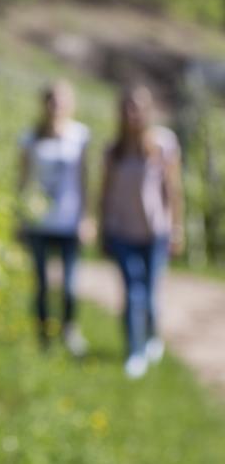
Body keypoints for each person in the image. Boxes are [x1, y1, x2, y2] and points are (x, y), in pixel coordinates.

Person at [100, 85, 184, 379]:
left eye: (137, 108)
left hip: (155, 232)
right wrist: (102, 229)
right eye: (127, 108)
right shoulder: (114, 151)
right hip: (122, 231)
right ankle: (133, 351)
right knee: (132, 293)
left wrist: (176, 228)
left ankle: (151, 335)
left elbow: (172, 190)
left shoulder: (162, 145)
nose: (131, 114)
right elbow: (105, 193)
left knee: (149, 294)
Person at [17, 81, 90, 356]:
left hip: (69, 221)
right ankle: (43, 337)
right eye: (51, 100)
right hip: (39, 221)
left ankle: (69, 330)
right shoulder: (30, 138)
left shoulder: (80, 136)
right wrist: (20, 217)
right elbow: (22, 181)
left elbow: (85, 179)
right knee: (42, 284)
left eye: (61, 100)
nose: (55, 106)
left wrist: (87, 217)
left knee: (69, 286)